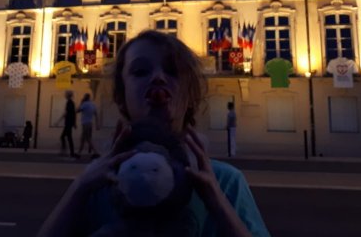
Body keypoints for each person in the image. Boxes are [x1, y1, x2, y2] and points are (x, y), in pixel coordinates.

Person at [37, 30, 270, 236]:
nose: (158, 77)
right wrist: (79, 188)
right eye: (140, 71)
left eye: (172, 71)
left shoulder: (226, 182)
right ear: (120, 97)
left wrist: (216, 200)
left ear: (190, 95)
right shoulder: (97, 182)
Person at [76, 93, 100, 158]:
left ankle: (96, 152)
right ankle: (78, 153)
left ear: (85, 97)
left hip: (85, 124)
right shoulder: (92, 104)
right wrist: (97, 124)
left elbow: (77, 110)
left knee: (87, 138)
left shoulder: (84, 104)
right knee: (83, 138)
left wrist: (81, 103)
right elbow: (96, 114)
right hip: (90, 123)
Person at [55, 90, 77, 158]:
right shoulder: (71, 103)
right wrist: (74, 123)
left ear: (68, 95)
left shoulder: (69, 103)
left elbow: (67, 113)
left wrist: (58, 121)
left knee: (64, 137)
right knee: (68, 137)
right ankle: (70, 152)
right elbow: (73, 113)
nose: (65, 95)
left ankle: (66, 151)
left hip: (68, 123)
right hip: (69, 123)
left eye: (66, 94)